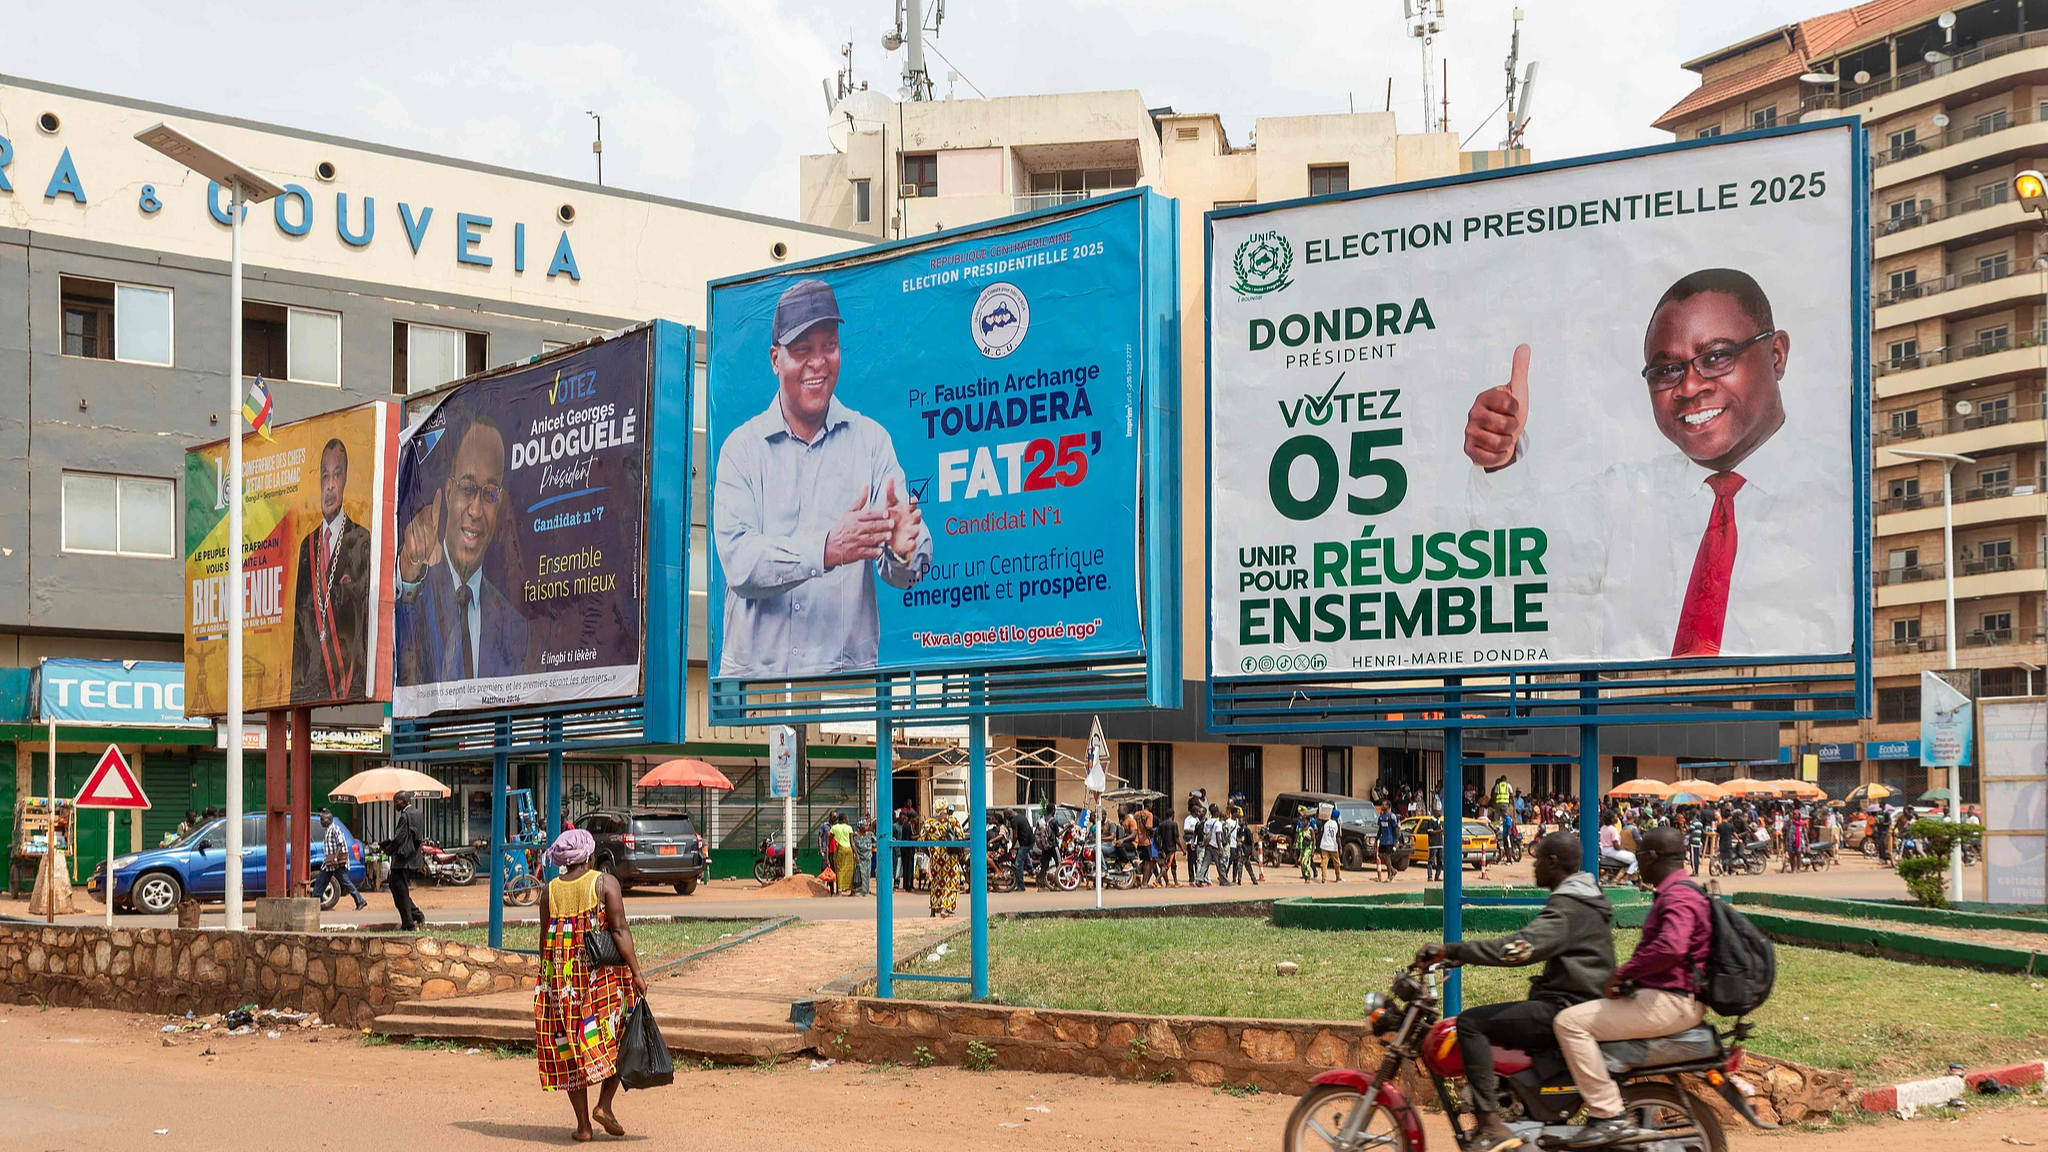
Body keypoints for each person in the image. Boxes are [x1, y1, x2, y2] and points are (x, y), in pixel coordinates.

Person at [1462, 268, 1849, 660]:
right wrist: (1499, 459)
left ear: (1776, 355)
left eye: (1716, 357)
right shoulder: (1626, 501)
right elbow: (1517, 554)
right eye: (1667, 371)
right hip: (1639, 721)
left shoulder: (1846, 501)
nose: (1690, 386)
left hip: (1792, 719)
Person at [713, 278, 934, 677]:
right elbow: (741, 564)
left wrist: (903, 551)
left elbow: (907, 566)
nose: (818, 363)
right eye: (801, 350)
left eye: (829, 346)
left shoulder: (871, 442)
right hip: (755, 697)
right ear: (775, 359)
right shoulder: (740, 450)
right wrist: (826, 550)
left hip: (843, 694)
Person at [1416, 832, 1616, 1152]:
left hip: (1568, 1005)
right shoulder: (1583, 897)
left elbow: (1517, 950)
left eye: (1537, 859)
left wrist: (1454, 951)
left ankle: (1490, 1126)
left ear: (1552, 863)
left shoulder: (1571, 906)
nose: (1533, 865)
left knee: (1469, 1023)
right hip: (1573, 999)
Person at [1552, 827, 1711, 1147]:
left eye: (1639, 857)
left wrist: (1624, 974)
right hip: (1667, 996)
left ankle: (1607, 1115)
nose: (1638, 864)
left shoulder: (1678, 895)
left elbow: (1671, 947)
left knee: (1568, 1023)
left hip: (1672, 1001)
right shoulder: (1680, 889)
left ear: (1652, 857)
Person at [395, 415, 529, 686]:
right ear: (448, 492)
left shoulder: (515, 630)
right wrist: (409, 571)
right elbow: (399, 643)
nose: (476, 510)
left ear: (500, 501)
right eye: (468, 488)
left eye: (490, 493)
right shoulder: (418, 591)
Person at [535, 828, 645, 1142]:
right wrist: (636, 973)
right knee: (617, 1035)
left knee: (569, 1046)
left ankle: (584, 1127)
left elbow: (545, 940)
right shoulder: (605, 883)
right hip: (602, 979)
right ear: (589, 856)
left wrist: (546, 983)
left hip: (562, 983)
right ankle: (605, 1105)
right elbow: (620, 930)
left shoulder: (550, 891)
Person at [291, 438, 373, 703]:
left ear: (345, 479)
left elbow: (364, 622)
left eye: (336, 475)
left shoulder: (361, 540)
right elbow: (298, 627)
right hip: (312, 683)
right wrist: (297, 691)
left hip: (349, 683)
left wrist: (361, 685)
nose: (330, 485)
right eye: (325, 476)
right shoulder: (308, 546)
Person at [379, 793, 427, 930]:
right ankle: (414, 916)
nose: (395, 804)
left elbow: (399, 838)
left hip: (401, 860)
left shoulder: (404, 816)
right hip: (412, 857)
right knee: (398, 889)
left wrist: (388, 849)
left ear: (405, 801)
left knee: (400, 892)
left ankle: (409, 923)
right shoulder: (418, 813)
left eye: (397, 801)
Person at [313, 809, 367, 912]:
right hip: (329, 863)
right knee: (321, 880)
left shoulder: (335, 829)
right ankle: (316, 901)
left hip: (335, 862)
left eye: (323, 820)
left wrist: (336, 857)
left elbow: (340, 843)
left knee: (345, 882)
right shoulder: (328, 830)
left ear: (329, 820)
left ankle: (360, 901)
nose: (321, 822)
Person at [922, 803, 963, 917]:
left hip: (936, 859)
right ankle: (945, 908)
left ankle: (935, 908)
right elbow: (961, 837)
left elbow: (921, 842)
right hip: (951, 858)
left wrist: (930, 854)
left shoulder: (928, 823)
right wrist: (960, 853)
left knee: (936, 883)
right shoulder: (952, 820)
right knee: (951, 882)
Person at [894, 803, 921, 890]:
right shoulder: (908, 825)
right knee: (907, 867)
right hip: (907, 850)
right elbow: (910, 837)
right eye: (916, 819)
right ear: (912, 818)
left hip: (910, 849)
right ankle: (907, 885)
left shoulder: (910, 826)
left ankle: (910, 884)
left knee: (910, 867)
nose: (916, 821)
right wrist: (919, 836)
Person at [828, 812, 856, 895]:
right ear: (844, 819)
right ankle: (852, 890)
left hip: (839, 850)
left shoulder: (834, 828)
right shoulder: (849, 828)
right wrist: (856, 854)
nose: (848, 819)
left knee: (839, 870)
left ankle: (839, 890)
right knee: (850, 870)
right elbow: (852, 842)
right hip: (849, 850)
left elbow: (829, 840)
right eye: (847, 818)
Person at [852, 817, 876, 897]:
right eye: (865, 825)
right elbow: (853, 845)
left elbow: (876, 842)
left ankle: (866, 890)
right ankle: (860, 890)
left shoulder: (870, 834)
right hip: (860, 858)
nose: (867, 827)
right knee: (861, 874)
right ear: (860, 827)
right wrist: (856, 855)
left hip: (868, 857)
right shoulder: (855, 835)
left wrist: (870, 846)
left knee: (867, 874)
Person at [1373, 802, 1397, 882]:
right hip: (1383, 840)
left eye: (1384, 805)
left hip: (1390, 840)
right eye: (1382, 804)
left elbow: (1396, 829)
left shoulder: (1392, 816)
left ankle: (1390, 874)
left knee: (1387, 856)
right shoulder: (1381, 817)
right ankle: (1393, 870)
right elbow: (1380, 830)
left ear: (1388, 806)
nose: (1382, 806)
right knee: (1380, 855)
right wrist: (1376, 839)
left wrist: (1396, 841)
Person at [1319, 806, 1343, 883]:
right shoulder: (1337, 825)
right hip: (1333, 846)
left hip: (1324, 845)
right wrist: (1340, 847)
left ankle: (1324, 878)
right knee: (1336, 863)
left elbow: (1322, 832)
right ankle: (1338, 877)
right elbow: (1338, 837)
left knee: (1324, 863)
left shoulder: (1326, 823)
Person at [1419, 810, 1444, 882]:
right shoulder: (1431, 821)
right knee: (1431, 860)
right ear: (1435, 813)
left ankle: (1437, 876)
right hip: (1433, 844)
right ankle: (1430, 876)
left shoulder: (1440, 822)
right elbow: (1430, 832)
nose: (1440, 813)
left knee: (1440, 861)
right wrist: (1440, 831)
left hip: (1440, 844)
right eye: (1439, 812)